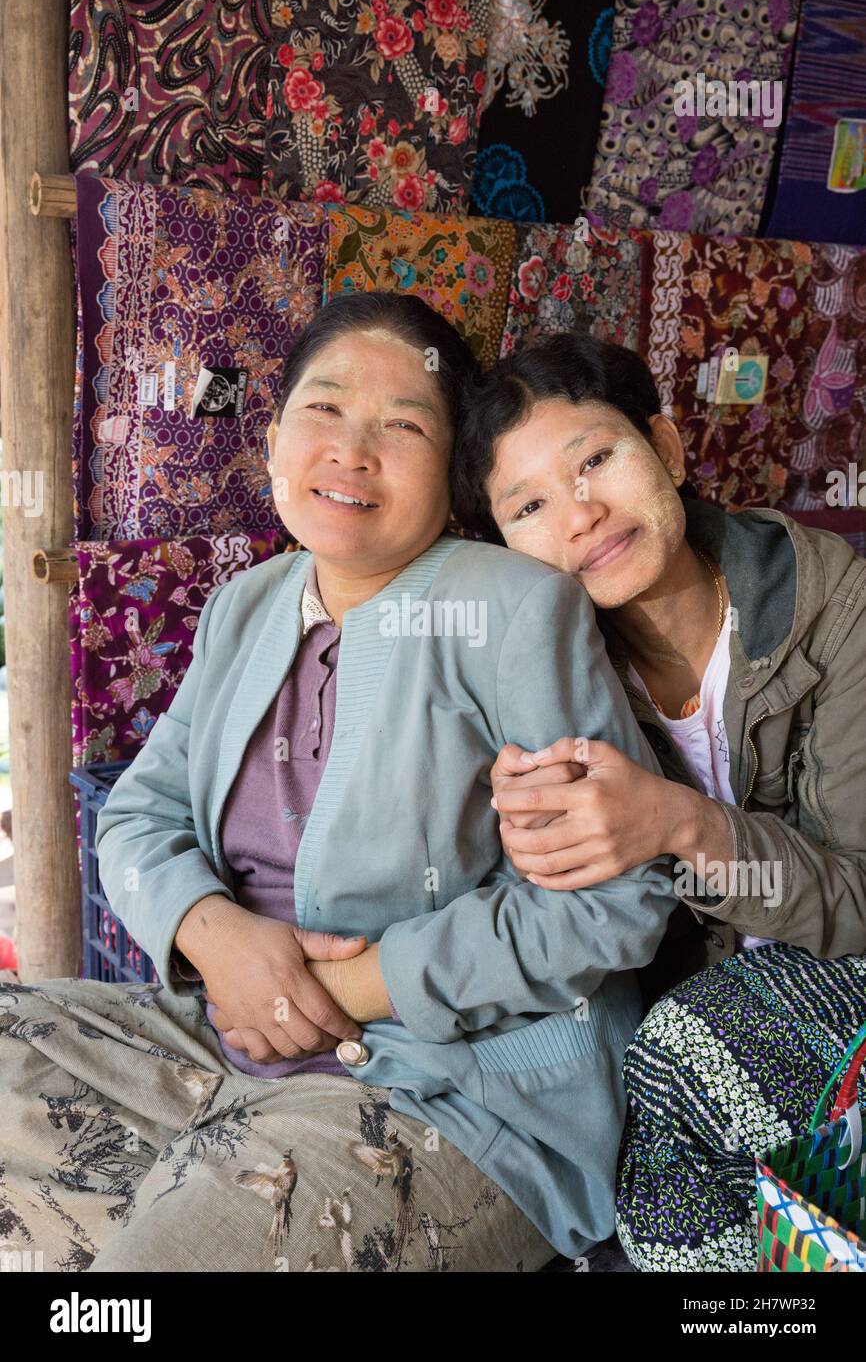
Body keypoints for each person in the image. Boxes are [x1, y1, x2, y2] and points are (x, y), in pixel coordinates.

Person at [0, 294, 676, 1273]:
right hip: (221, 1041)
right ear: (272, 439)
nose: (352, 450)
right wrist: (215, 935)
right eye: (323, 411)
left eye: (403, 424)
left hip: (448, 1091)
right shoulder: (250, 604)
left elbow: (614, 903)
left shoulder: (513, 611)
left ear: (451, 482)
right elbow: (138, 815)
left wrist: (342, 987)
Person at [452, 330, 866, 1272]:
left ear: (669, 451)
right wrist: (520, 833)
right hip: (714, 1035)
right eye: (530, 506)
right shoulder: (537, 678)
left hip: (833, 994)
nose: (582, 512)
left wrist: (685, 827)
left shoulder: (836, 609)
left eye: (596, 458)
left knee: (689, 1073)